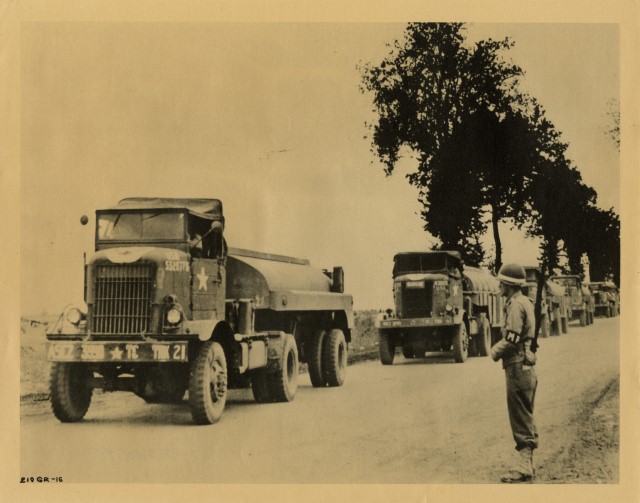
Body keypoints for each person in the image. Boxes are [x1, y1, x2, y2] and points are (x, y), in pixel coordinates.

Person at [491, 262, 539, 483]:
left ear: (509, 285)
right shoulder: (525, 302)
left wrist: (495, 351)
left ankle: (524, 467)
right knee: (525, 412)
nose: (499, 286)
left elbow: (512, 337)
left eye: (501, 283)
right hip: (526, 366)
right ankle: (527, 463)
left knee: (519, 415)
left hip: (517, 365)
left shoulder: (515, 305)